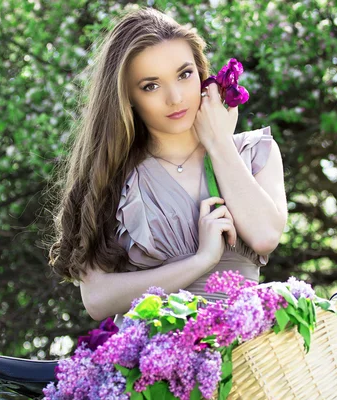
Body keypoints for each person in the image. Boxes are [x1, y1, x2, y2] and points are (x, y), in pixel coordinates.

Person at [47, 6, 287, 327]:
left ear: (202, 74)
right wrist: (200, 261)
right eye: (151, 85)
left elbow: (265, 236)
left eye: (184, 74)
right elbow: (98, 299)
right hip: (155, 366)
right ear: (127, 97)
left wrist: (218, 143)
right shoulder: (111, 177)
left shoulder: (255, 151)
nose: (175, 98)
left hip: (251, 359)